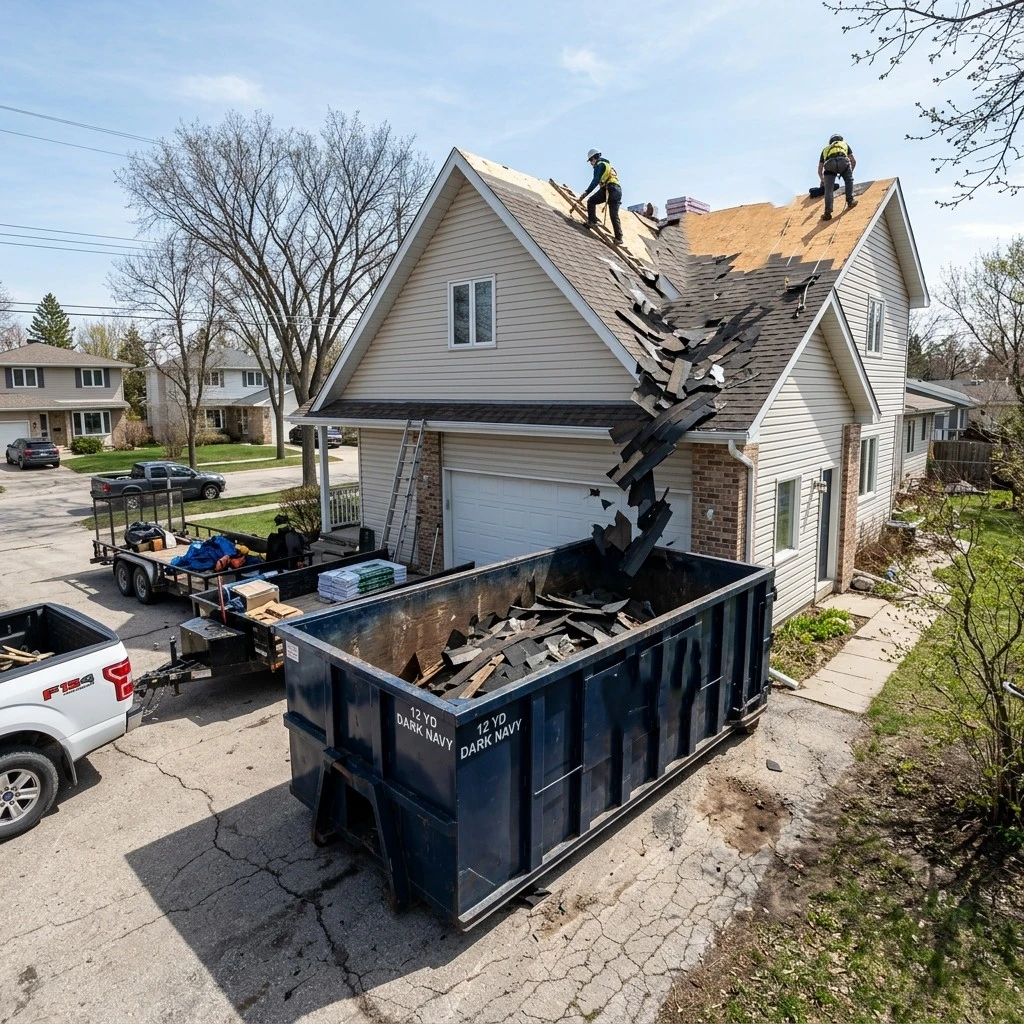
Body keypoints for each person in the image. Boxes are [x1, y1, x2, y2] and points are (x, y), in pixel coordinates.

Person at [581, 149, 623, 243]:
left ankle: (592, 221)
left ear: (593, 158)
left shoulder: (599, 165)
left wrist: (587, 192)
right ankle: (619, 238)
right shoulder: (607, 164)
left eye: (591, 161)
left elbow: (596, 180)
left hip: (609, 188)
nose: (591, 163)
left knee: (591, 201)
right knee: (614, 214)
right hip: (617, 190)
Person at [817, 134, 857, 220]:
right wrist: (849, 173)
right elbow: (853, 160)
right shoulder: (844, 144)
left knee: (828, 190)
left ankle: (827, 213)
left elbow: (820, 169)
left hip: (829, 165)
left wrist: (823, 180)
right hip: (842, 161)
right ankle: (850, 201)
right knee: (849, 180)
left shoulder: (825, 149)